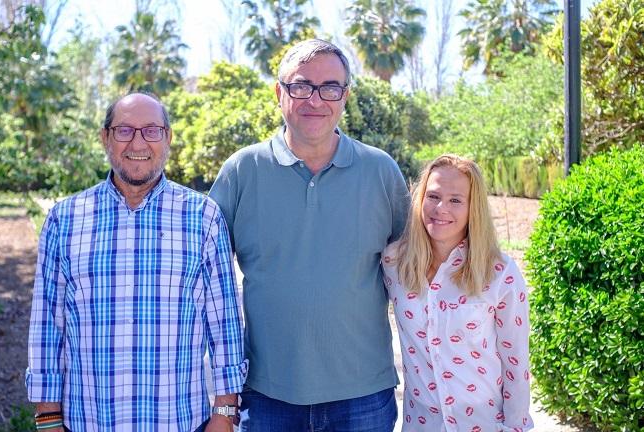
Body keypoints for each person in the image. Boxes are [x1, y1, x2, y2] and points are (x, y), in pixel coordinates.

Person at [209, 39, 410, 431]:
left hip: (363, 396)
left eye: (330, 88)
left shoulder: (381, 172)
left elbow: (421, 267)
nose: (315, 100)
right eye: (300, 86)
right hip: (268, 397)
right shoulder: (241, 171)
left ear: (345, 96)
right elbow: (202, 274)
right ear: (278, 92)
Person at [26, 92, 247, 432]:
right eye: (125, 130)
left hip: (180, 422)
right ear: (106, 138)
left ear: (168, 138)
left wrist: (226, 413)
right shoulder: (65, 219)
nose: (138, 142)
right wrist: (47, 420)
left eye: (152, 130)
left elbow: (224, 326)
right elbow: (47, 327)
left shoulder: (203, 217)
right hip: (88, 421)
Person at [381, 154, 534, 432]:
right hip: (421, 424)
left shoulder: (500, 272)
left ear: (472, 208)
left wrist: (516, 426)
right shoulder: (394, 262)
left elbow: (516, 359)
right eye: (433, 196)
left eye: (455, 200)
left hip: (485, 423)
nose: (441, 208)